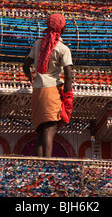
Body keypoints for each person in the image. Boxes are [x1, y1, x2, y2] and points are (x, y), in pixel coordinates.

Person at [22, 13, 73, 158]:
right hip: (52, 91)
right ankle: (47, 167)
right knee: (50, 130)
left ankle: (40, 166)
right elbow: (68, 76)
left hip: (38, 91)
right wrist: (67, 95)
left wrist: (32, 79)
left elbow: (25, 66)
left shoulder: (38, 44)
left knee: (40, 132)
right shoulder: (63, 49)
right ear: (62, 29)